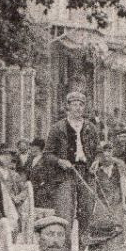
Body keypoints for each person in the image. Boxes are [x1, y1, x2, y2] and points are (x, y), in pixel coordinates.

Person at [44, 90, 101, 238]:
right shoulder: (57, 128)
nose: (78, 108)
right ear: (68, 107)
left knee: (87, 213)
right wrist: (60, 161)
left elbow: (98, 151)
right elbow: (47, 154)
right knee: (64, 215)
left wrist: (96, 161)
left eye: (81, 105)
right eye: (74, 104)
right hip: (65, 176)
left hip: (86, 175)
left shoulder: (91, 128)